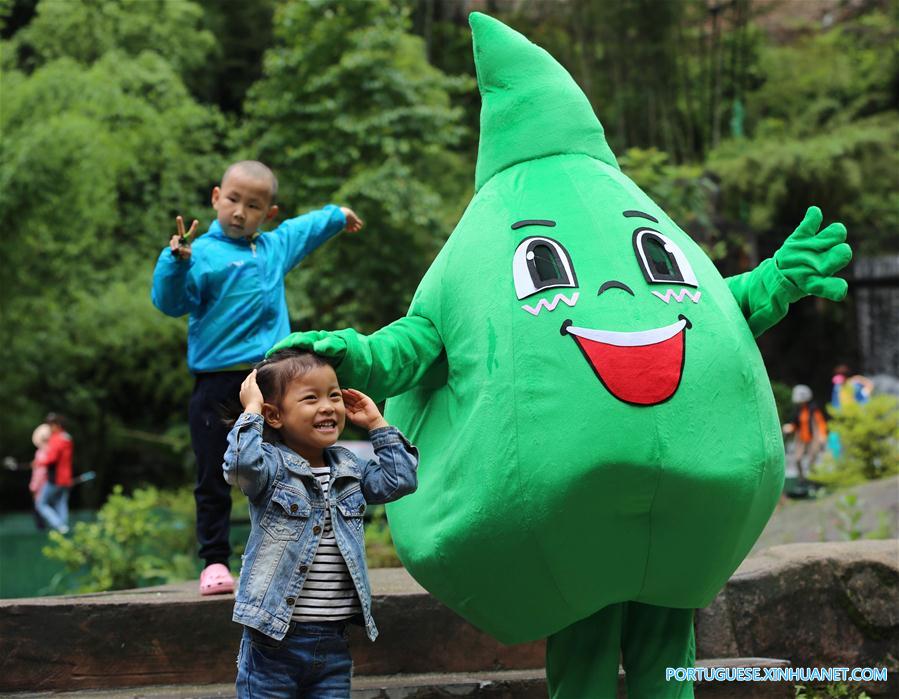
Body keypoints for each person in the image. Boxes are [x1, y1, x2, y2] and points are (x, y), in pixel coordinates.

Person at [151, 160, 364, 596]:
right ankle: (213, 562)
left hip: (270, 382)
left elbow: (303, 230)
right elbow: (171, 303)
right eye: (231, 200)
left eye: (253, 205)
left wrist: (338, 215)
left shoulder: (271, 249)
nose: (239, 212)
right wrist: (174, 262)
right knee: (213, 473)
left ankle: (284, 557)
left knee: (286, 469)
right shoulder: (198, 255)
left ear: (268, 213)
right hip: (217, 384)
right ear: (215, 198)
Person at [224, 349, 418, 697]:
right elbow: (240, 465)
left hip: (333, 642)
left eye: (333, 395)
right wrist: (251, 410)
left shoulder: (349, 468)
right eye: (311, 398)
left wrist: (377, 424)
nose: (328, 406)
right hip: (273, 641)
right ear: (275, 415)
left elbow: (400, 478)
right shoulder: (271, 470)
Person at [782, 384, 828, 490]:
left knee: (812, 460)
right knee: (797, 459)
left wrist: (822, 435)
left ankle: (814, 481)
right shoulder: (798, 411)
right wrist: (790, 428)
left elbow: (820, 423)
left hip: (813, 438)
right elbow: (795, 424)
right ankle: (801, 480)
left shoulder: (813, 409)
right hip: (801, 439)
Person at [34, 413, 74, 534]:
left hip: (56, 477)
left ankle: (59, 525)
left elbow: (52, 459)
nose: (49, 427)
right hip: (66, 477)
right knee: (61, 503)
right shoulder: (67, 437)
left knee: (40, 503)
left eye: (50, 425)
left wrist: (39, 462)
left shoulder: (56, 439)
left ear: (56, 425)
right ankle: (64, 528)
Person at [29, 423, 51, 529]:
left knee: (40, 512)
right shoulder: (51, 451)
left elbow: (40, 473)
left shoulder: (41, 453)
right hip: (50, 486)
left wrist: (34, 487)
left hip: (43, 488)